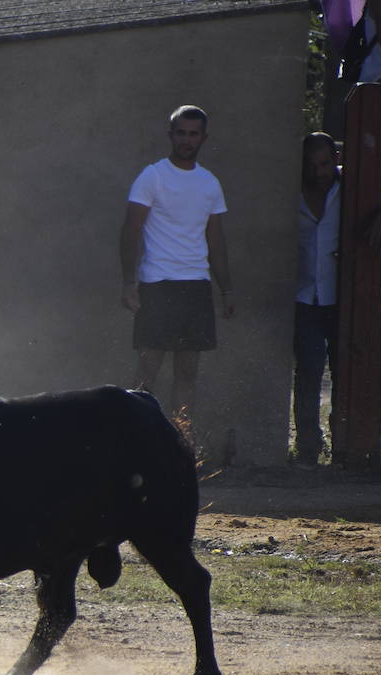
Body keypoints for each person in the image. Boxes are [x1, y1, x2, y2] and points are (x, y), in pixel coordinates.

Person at [296, 132, 381, 465]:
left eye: (323, 164)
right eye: (312, 165)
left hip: (342, 295)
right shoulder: (293, 190)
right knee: (308, 370)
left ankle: (344, 443)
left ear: (334, 158)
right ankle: (308, 445)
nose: (319, 172)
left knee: (344, 370)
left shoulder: (353, 183)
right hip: (305, 293)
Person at [120, 104, 233, 433]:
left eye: (193, 133)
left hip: (195, 286)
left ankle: (181, 444)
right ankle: (134, 442)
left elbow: (217, 241)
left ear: (203, 138)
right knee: (147, 370)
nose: (186, 139)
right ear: (171, 135)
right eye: (180, 132)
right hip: (157, 284)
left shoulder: (210, 183)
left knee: (187, 372)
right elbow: (130, 229)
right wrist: (129, 282)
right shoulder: (152, 176)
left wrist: (226, 290)